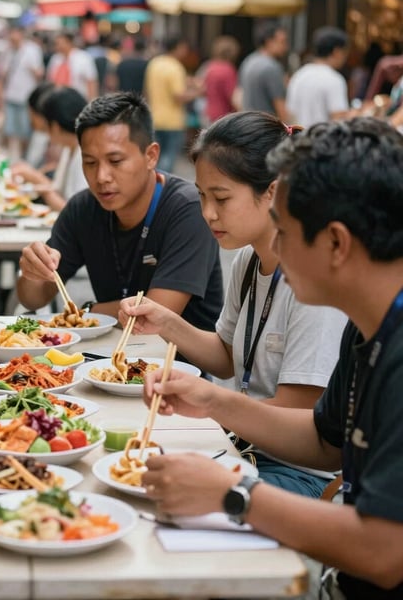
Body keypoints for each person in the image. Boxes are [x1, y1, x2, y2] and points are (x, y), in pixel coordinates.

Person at [137, 117, 403, 599]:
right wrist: (210, 399)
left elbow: (385, 553)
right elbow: (325, 440)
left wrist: (232, 493)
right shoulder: (369, 325)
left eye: (284, 229)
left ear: (337, 243)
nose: (274, 247)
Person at [120, 111, 345, 495]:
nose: (208, 213)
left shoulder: (312, 283)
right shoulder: (248, 258)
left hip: (293, 471)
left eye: (221, 198)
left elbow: (298, 413)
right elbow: (227, 354)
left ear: (273, 191)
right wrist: (165, 322)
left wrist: (211, 404)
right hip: (244, 446)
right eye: (203, 196)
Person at [17, 93, 223, 331]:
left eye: (115, 161)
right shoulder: (82, 208)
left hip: (175, 361)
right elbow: (33, 299)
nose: (101, 177)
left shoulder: (187, 209)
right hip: (107, 358)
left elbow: (154, 312)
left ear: (151, 156)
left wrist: (87, 311)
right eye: (90, 163)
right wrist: (32, 274)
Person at [11, 87, 88, 212]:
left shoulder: (85, 154)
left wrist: (45, 191)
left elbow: (76, 213)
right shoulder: (69, 149)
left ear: (55, 126)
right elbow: (57, 190)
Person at [144, 35, 200, 172]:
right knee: (168, 160)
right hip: (172, 121)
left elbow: (147, 91)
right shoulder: (175, 67)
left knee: (154, 158)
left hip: (154, 118)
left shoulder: (154, 63)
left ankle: (153, 187)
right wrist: (197, 93)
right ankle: (162, 189)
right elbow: (178, 96)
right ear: (178, 47)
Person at [0, 26, 44, 161]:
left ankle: (25, 158)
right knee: (10, 131)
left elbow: (39, 73)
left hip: (26, 97)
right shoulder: (6, 52)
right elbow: (1, 75)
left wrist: (33, 70)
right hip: (10, 96)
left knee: (25, 131)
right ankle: (12, 158)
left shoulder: (32, 50)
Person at [286, 27, 350, 127]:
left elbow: (290, 113)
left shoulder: (299, 75)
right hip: (323, 141)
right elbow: (339, 119)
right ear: (336, 51)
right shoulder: (334, 79)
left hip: (298, 140)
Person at [239, 22, 289, 121]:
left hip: (248, 125)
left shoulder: (248, 61)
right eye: (283, 42)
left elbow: (237, 96)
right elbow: (280, 105)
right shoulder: (272, 67)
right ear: (269, 42)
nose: (286, 47)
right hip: (268, 127)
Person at [46, 31, 98, 101]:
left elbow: (91, 81)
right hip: (57, 100)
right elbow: (50, 79)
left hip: (78, 100)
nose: (56, 46)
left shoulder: (83, 57)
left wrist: (91, 100)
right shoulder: (55, 58)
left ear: (69, 42)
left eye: (59, 43)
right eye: (55, 44)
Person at [203, 35, 240, 122]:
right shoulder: (227, 69)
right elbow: (232, 96)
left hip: (209, 112)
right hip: (223, 116)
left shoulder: (211, 66)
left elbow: (204, 89)